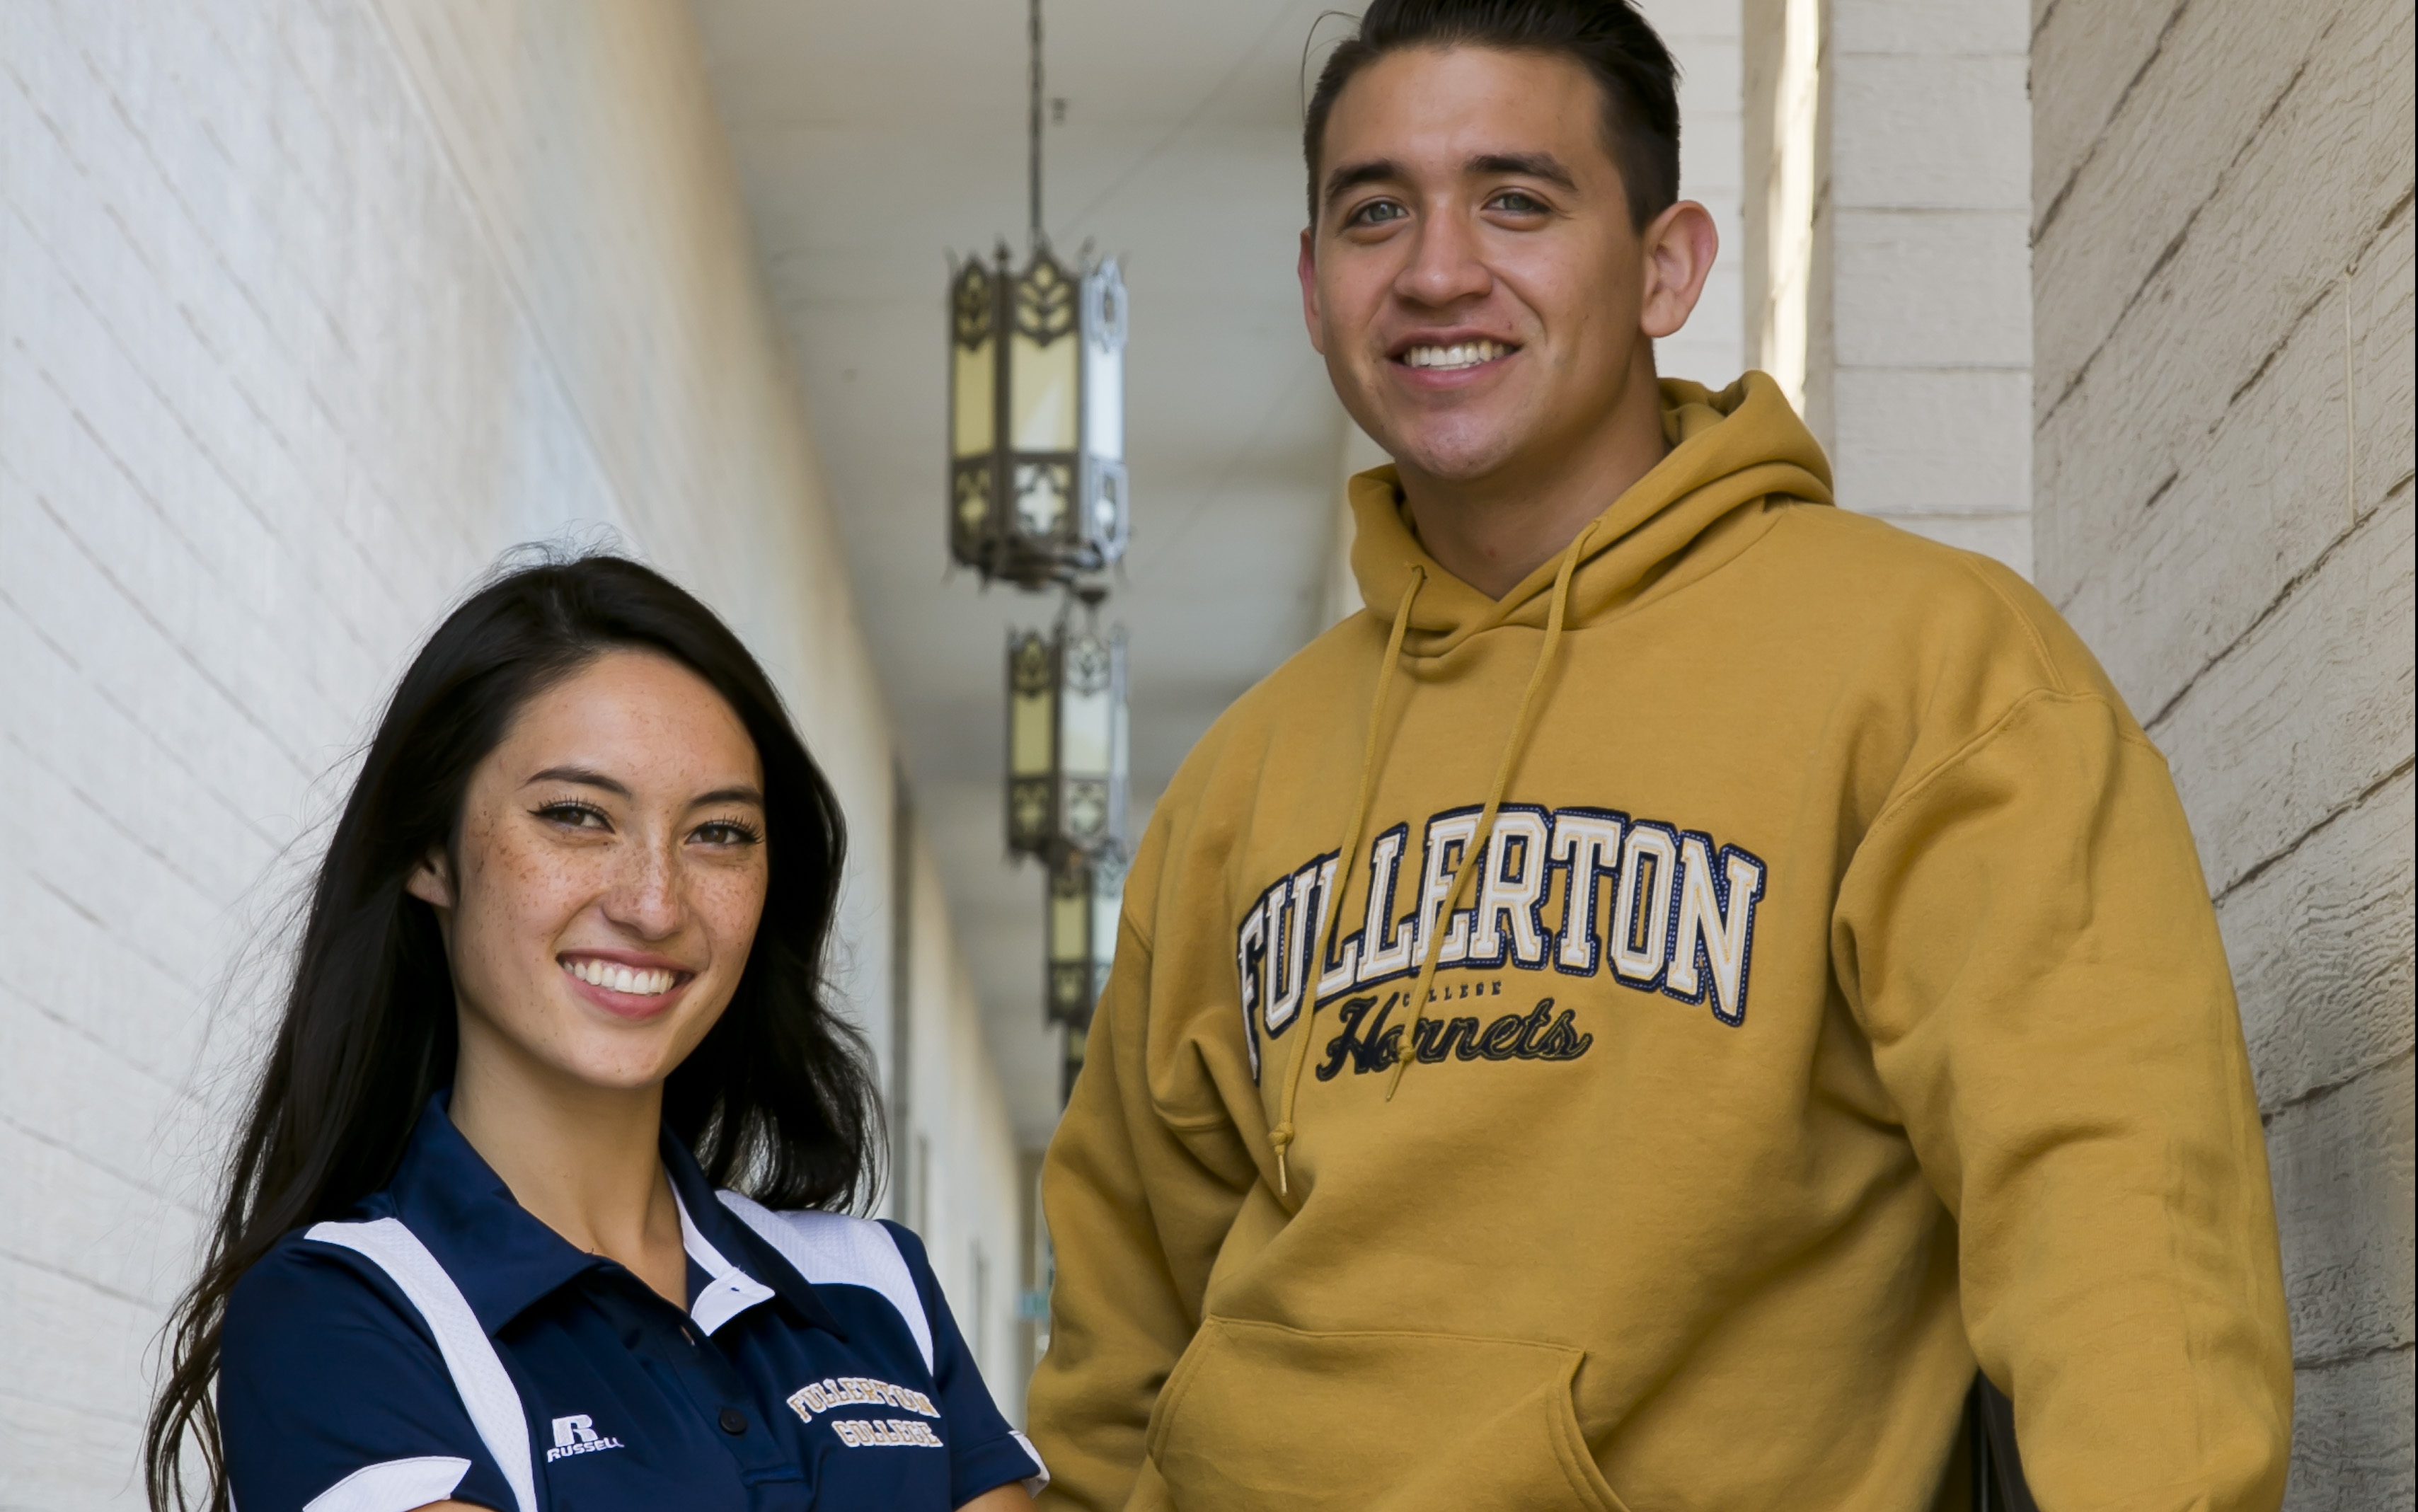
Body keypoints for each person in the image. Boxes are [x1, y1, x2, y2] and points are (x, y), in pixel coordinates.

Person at [1025, 2, 2293, 1509]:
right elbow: (1118, 1352)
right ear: (1312, 289)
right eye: (1374, 213)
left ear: (1666, 265)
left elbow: (2120, 1244)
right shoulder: (1238, 786)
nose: (1435, 270)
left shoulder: (1924, 671)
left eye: (1515, 199)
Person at [144, 557, 1044, 1512]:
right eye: (576, 816)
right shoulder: (346, 1311)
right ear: (429, 850)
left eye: (720, 833)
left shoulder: (875, 1284)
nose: (654, 903)